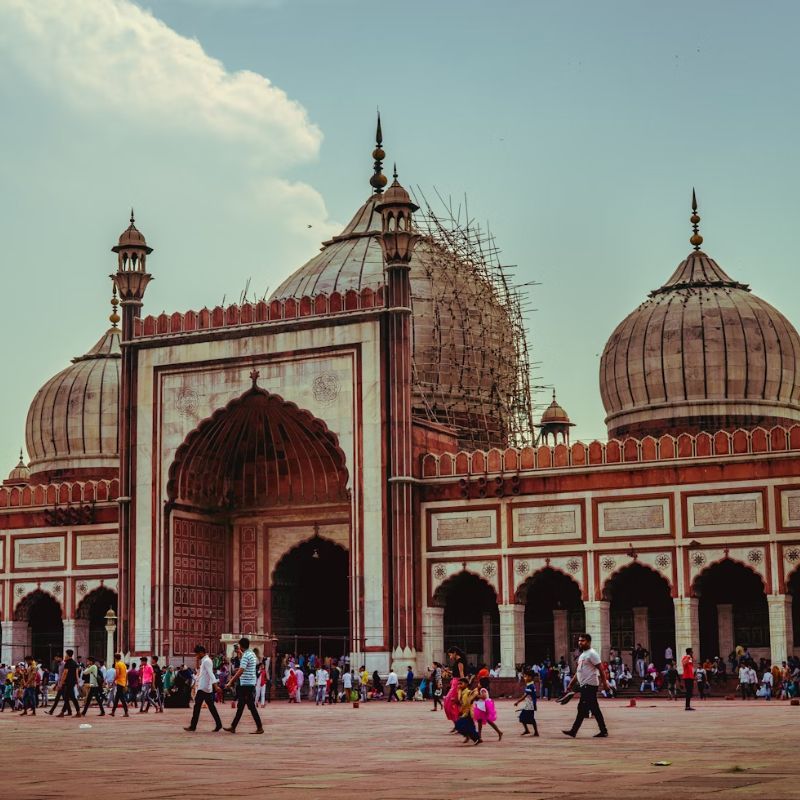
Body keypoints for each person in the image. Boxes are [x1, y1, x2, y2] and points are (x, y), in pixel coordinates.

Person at [562, 632, 609, 739]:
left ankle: (574, 731)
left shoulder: (592, 653)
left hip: (590, 685)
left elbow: (601, 669)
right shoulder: (582, 655)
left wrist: (605, 683)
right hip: (584, 685)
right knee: (594, 709)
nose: (580, 643)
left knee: (582, 708)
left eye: (582, 641)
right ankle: (603, 730)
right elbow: (578, 671)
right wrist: (571, 683)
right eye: (579, 641)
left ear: (588, 642)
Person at [225, 637, 264, 734]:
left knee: (249, 706)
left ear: (241, 645)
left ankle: (259, 727)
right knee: (242, 705)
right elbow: (246, 660)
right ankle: (233, 726)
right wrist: (240, 652)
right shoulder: (251, 654)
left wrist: (230, 681)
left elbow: (241, 670)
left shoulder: (246, 655)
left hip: (246, 684)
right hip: (249, 683)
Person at [183, 644, 222, 732]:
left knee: (197, 706)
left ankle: (193, 726)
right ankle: (218, 724)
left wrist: (215, 685)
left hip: (203, 687)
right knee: (211, 707)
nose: (196, 656)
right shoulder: (205, 660)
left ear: (201, 653)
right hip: (205, 687)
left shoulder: (206, 661)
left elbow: (211, 674)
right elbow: (200, 672)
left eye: (197, 654)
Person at [454, 678, 480, 744]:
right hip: (464, 712)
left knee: (459, 725)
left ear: (466, 684)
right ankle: (476, 738)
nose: (459, 685)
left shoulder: (468, 692)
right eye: (458, 684)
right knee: (468, 726)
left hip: (468, 712)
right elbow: (462, 703)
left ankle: (475, 738)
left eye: (461, 684)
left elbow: (470, 700)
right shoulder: (461, 692)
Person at [55, 649, 81, 717]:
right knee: (72, 697)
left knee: (67, 697)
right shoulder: (74, 663)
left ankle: (63, 712)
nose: (65, 656)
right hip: (72, 682)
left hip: (68, 683)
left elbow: (65, 673)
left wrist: (61, 683)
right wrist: (77, 682)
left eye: (65, 654)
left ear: (68, 655)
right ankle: (77, 712)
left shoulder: (68, 663)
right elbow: (76, 673)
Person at [514, 670, 539, 737]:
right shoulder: (529, 685)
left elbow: (525, 695)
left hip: (530, 704)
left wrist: (518, 701)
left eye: (526, 676)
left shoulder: (530, 686)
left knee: (528, 718)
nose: (525, 678)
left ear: (530, 677)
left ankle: (535, 732)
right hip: (529, 704)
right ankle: (528, 730)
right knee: (523, 717)